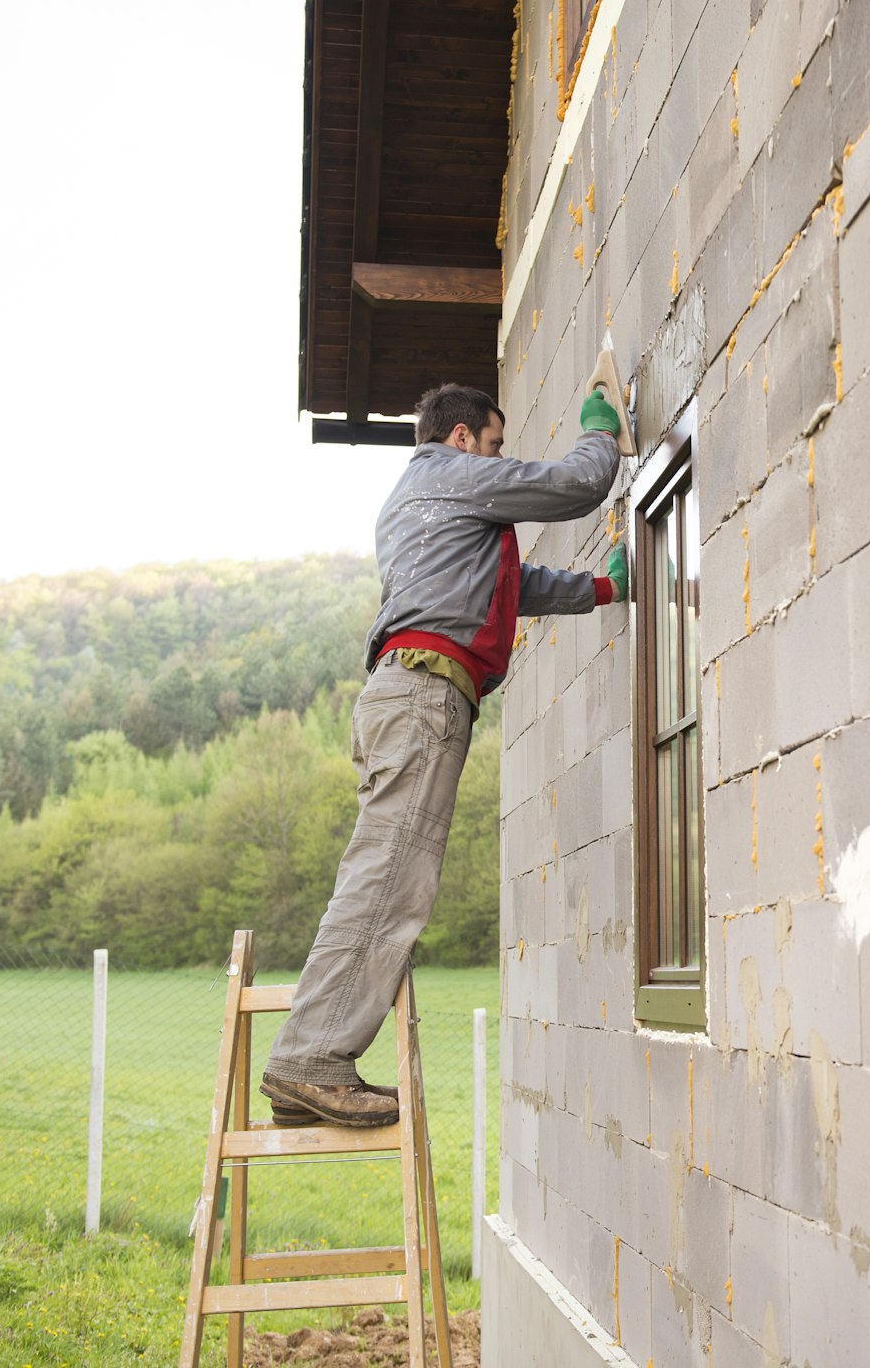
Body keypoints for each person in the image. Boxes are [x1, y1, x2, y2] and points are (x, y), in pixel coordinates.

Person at [260, 381, 627, 1127]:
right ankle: (309, 1060)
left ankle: (309, 1063)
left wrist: (598, 587)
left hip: (409, 696)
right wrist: (600, 434)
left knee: (386, 875)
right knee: (388, 881)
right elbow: (574, 485)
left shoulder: (428, 503)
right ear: (462, 439)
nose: (499, 457)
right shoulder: (448, 474)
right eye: (495, 443)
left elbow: (505, 585)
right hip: (424, 699)